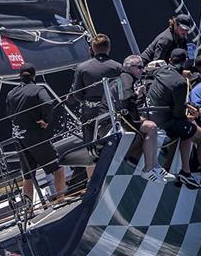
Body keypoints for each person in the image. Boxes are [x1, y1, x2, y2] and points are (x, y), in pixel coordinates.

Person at [146, 58, 201, 194]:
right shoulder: (180, 82)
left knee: (189, 130)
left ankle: (181, 170)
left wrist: (193, 107)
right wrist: (190, 116)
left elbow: (177, 102)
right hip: (165, 121)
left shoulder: (161, 74)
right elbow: (179, 113)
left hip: (156, 115)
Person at [7, 63, 66, 206]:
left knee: (28, 176)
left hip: (19, 137)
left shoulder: (11, 93)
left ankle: (29, 210)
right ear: (34, 76)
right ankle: (61, 200)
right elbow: (48, 102)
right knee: (57, 168)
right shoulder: (37, 89)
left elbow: (9, 113)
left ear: (19, 76)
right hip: (35, 137)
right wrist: (45, 120)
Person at [115, 54, 175, 183]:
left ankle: (156, 167)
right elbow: (126, 100)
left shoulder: (127, 77)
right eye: (139, 67)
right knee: (151, 127)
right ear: (129, 67)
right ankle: (148, 170)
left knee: (152, 127)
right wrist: (137, 119)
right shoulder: (126, 78)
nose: (142, 71)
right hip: (121, 117)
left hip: (124, 114)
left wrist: (137, 94)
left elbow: (128, 99)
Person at [69, 34, 122, 177]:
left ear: (92, 49)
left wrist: (88, 102)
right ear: (108, 48)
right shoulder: (117, 67)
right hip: (112, 112)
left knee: (90, 149)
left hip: (90, 112)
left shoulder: (82, 68)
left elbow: (77, 94)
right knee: (116, 142)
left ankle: (92, 180)